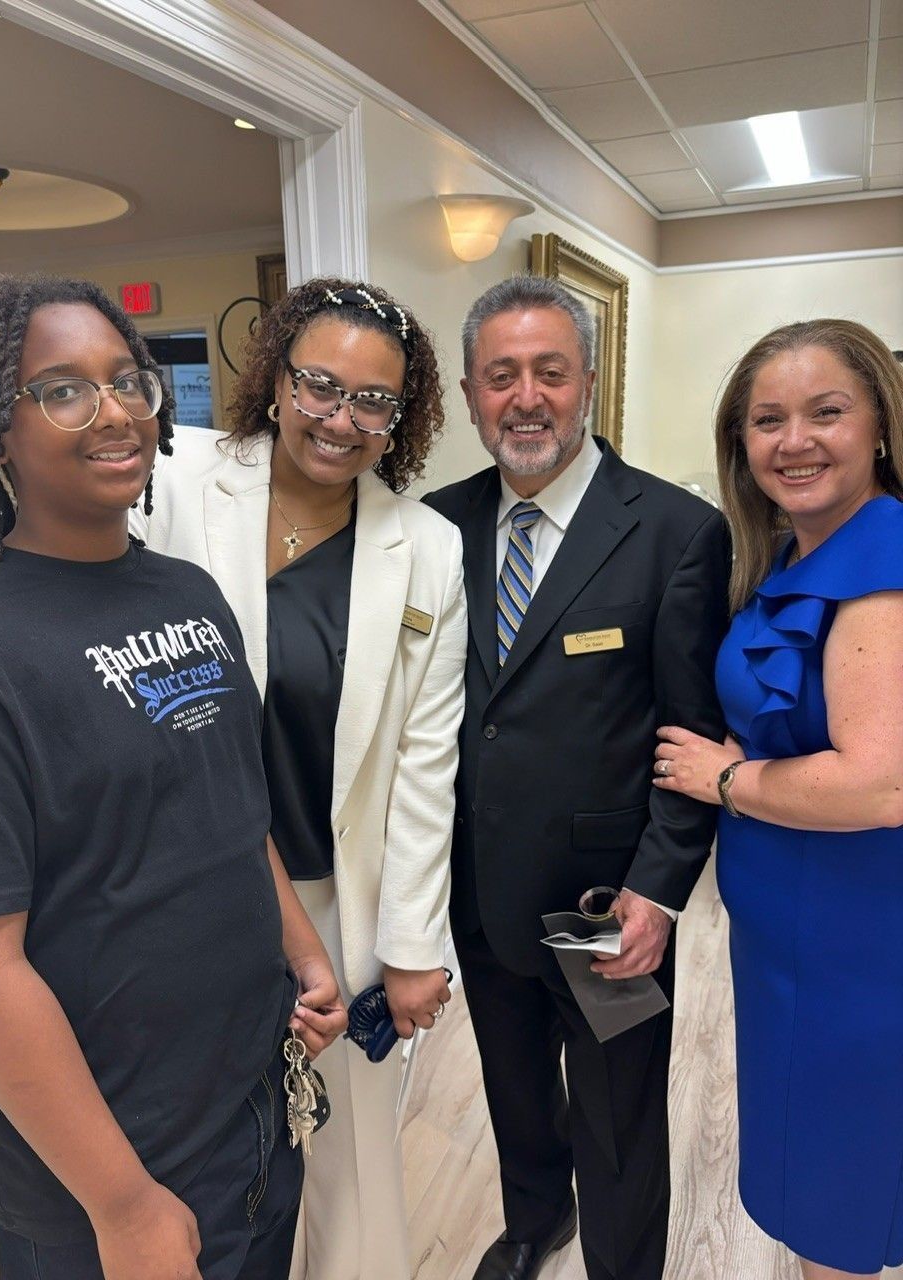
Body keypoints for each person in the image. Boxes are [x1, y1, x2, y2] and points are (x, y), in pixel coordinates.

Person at [0, 274, 347, 1280]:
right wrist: (123, 1204)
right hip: (106, 1179)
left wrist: (302, 948)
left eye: (126, 379)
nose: (116, 410)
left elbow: (230, 805)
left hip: (252, 1106)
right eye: (63, 390)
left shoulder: (189, 590)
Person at [131, 277, 467, 1280]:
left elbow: (423, 762)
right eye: (320, 383)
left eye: (375, 400)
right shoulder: (176, 480)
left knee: (353, 1159)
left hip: (334, 898)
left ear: (403, 419)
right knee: (202, 1136)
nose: (340, 417)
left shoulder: (429, 549)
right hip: (187, 886)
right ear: (275, 378)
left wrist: (412, 944)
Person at [424, 274, 730, 1280]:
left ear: (588, 382)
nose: (526, 397)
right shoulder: (434, 528)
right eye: (501, 375)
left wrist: (658, 888)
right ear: (470, 394)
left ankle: (623, 1264)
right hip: (478, 888)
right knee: (514, 1088)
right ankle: (531, 1222)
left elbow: (692, 733)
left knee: (618, 1110)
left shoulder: (673, 532)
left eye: (550, 372)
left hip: (605, 899)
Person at [656, 319, 903, 1280]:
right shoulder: (803, 556)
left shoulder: (878, 568)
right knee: (827, 1181)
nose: (793, 440)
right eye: (767, 420)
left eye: (825, 412)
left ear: (879, 424)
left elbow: (879, 781)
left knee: (839, 1193)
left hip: (855, 944)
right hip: (797, 937)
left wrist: (723, 779)